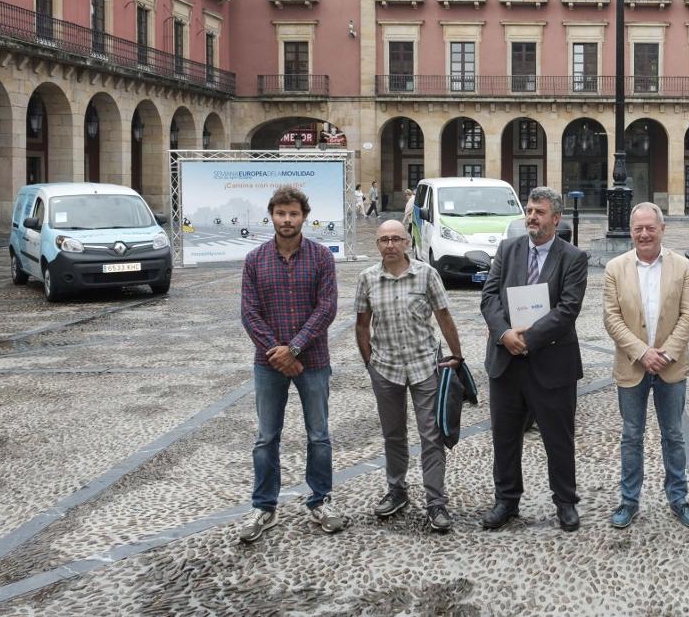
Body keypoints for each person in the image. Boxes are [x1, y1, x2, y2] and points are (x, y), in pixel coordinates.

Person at [480, 187, 589, 532]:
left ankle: (565, 502)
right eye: (529, 210)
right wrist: (504, 334)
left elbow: (568, 309)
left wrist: (527, 338)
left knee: (559, 438)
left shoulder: (573, 257)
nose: (531, 217)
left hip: (551, 363)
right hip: (505, 362)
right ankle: (506, 501)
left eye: (539, 212)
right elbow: (489, 298)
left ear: (556, 219)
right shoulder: (507, 249)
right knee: (505, 437)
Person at [238, 185, 340, 543]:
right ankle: (264, 506)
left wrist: (294, 349)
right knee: (266, 437)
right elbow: (249, 314)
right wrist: (279, 354)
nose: (287, 220)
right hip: (268, 364)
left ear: (304, 217)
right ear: (272, 216)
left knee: (319, 435)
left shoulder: (322, 257)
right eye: (281, 214)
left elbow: (326, 308)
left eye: (293, 214)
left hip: (312, 360)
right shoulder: (254, 260)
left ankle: (320, 500)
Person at [355, 219, 463, 532]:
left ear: (407, 242)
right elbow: (362, 325)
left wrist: (457, 356)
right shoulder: (367, 279)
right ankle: (397, 490)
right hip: (386, 367)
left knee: (431, 436)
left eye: (395, 239)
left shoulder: (427, 274)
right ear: (377, 245)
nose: (389, 245)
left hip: (424, 366)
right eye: (383, 240)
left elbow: (444, 316)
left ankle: (435, 502)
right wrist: (369, 364)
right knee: (393, 434)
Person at [602, 202, 689, 530]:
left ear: (662, 229)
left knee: (673, 435)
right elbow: (611, 318)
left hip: (671, 367)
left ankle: (678, 497)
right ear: (631, 231)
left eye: (650, 228)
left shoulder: (682, 266)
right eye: (638, 228)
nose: (644, 234)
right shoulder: (615, 268)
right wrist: (643, 353)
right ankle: (629, 501)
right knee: (631, 435)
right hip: (632, 366)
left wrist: (666, 353)